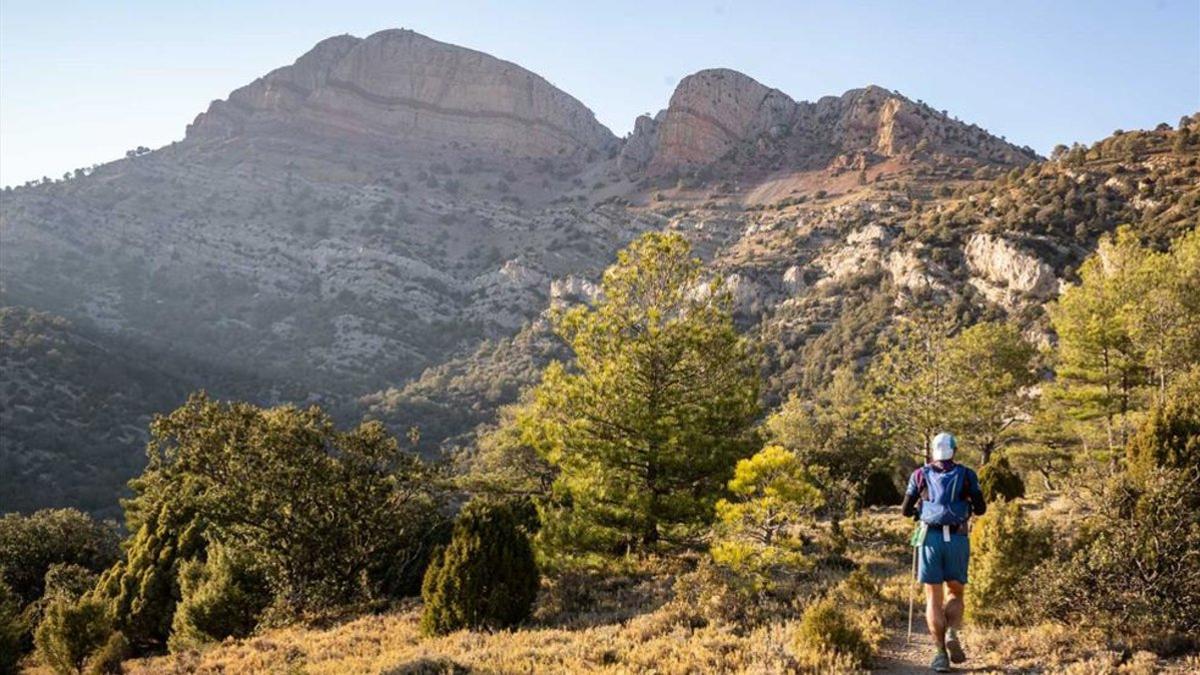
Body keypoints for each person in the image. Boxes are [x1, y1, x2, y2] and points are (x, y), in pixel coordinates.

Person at [900, 432, 987, 673]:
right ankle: (952, 631)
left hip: (930, 538)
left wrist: (920, 510)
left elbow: (906, 511)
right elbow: (981, 508)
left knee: (933, 598)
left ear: (933, 452)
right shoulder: (967, 475)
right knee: (956, 593)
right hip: (958, 538)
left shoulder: (919, 475)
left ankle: (939, 654)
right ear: (954, 451)